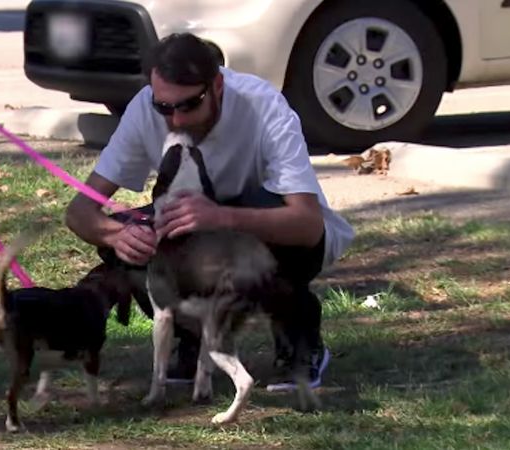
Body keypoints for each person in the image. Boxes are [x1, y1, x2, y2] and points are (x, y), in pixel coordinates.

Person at [65, 32, 354, 390]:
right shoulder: (144, 108)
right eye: (165, 108)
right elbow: (79, 211)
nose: (177, 120)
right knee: (127, 238)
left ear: (217, 86)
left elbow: (307, 224)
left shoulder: (263, 105)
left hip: (262, 231)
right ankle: (193, 340)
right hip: (199, 238)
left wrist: (221, 217)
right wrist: (118, 235)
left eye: (189, 105)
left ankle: (298, 339)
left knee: (265, 231)